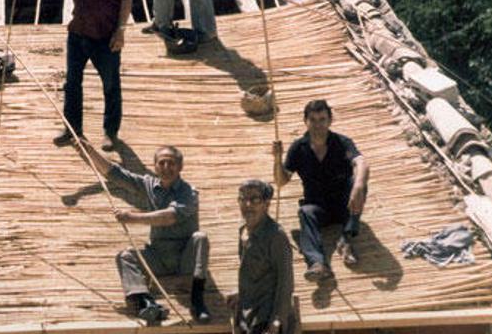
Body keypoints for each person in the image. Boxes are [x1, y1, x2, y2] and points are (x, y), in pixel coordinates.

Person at [12, 0, 132, 151]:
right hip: (78, 34)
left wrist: (121, 30)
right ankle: (72, 129)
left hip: (105, 36)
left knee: (110, 85)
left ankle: (110, 132)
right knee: (72, 84)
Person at [76, 139, 211, 325]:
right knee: (125, 256)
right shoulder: (149, 184)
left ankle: (198, 300)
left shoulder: (189, 192)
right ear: (155, 166)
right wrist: (90, 151)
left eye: (171, 163)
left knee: (200, 238)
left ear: (180, 166)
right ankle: (145, 302)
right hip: (159, 255)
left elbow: (169, 217)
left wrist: (131, 217)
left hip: (184, 257)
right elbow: (115, 174)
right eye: (161, 163)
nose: (166, 167)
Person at [274, 100, 370, 281]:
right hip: (318, 207)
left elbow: (361, 162)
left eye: (322, 119)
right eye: (313, 120)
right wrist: (277, 159)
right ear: (306, 121)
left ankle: (346, 237)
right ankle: (317, 263)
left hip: (345, 204)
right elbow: (281, 181)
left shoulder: (342, 143)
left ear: (330, 121)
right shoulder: (298, 148)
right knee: (305, 211)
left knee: (360, 182)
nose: (318, 125)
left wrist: (358, 187)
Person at [226, 180, 295, 334]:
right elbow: (252, 272)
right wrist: (240, 292)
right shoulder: (243, 230)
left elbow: (286, 281)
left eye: (255, 200)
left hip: (266, 317)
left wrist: (278, 318)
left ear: (266, 204)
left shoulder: (275, 236)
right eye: (243, 199)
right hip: (247, 314)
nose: (248, 205)